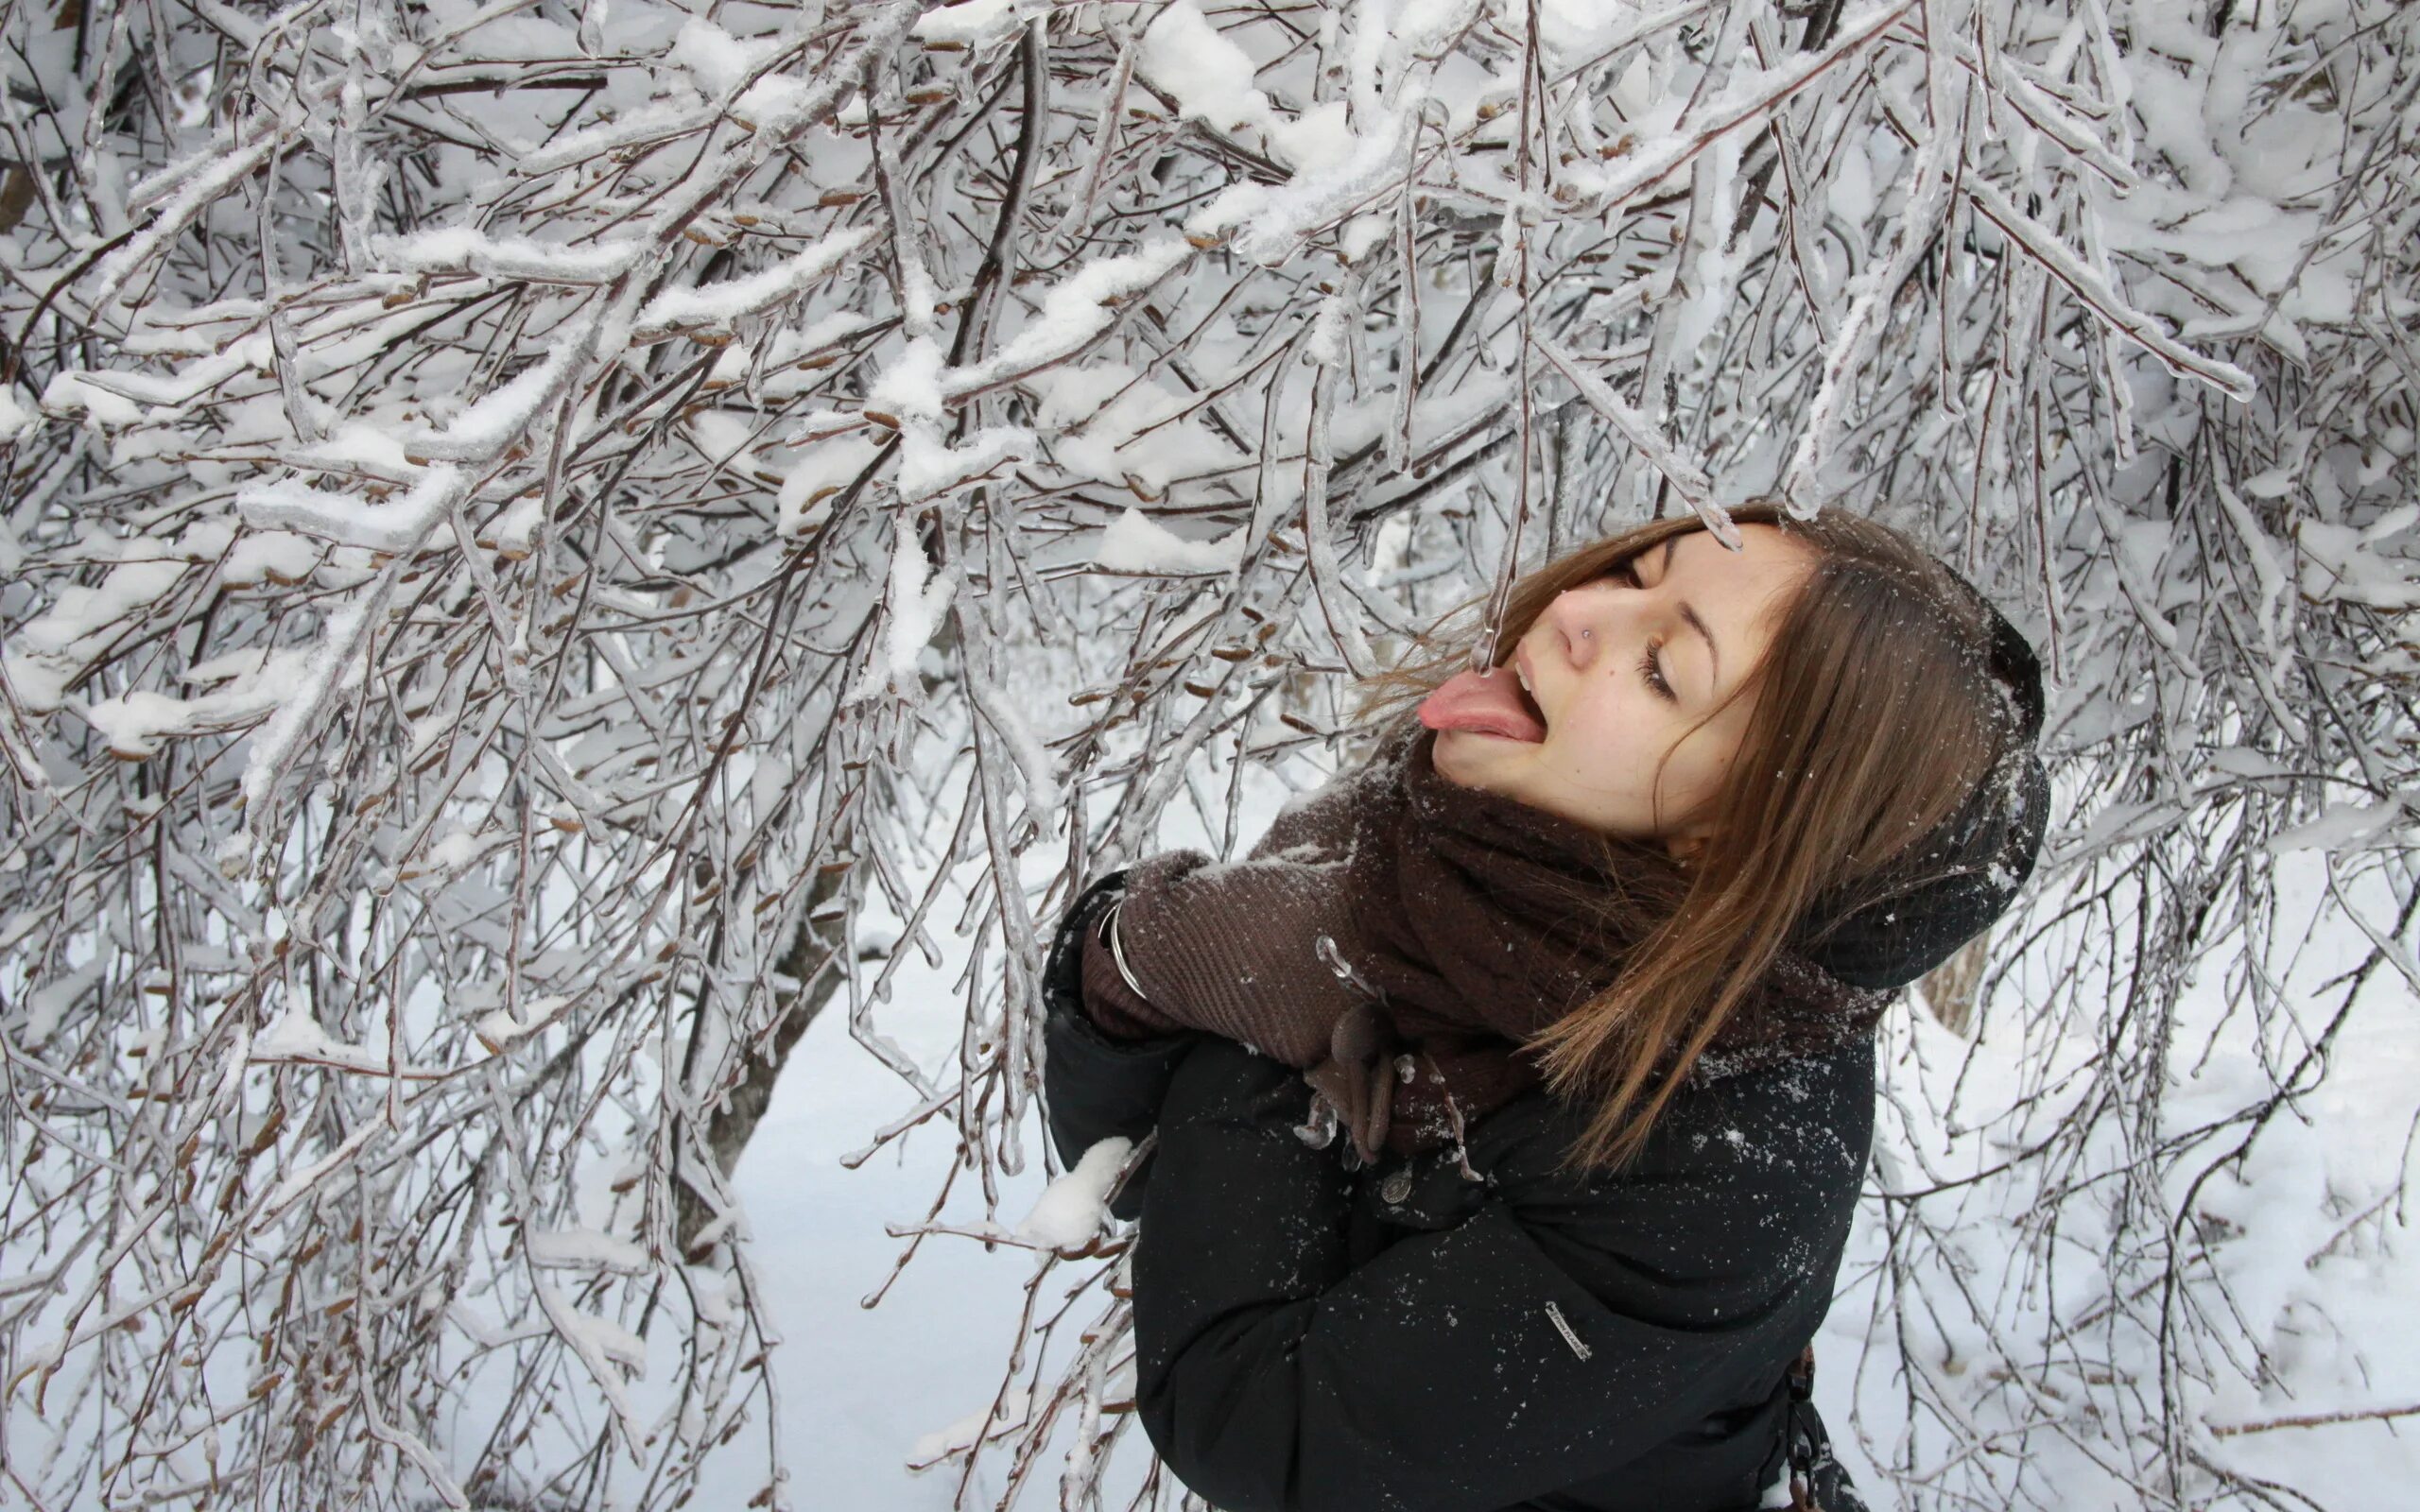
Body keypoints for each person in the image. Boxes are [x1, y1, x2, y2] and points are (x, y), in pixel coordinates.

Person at [1039, 502, 2050, 1512]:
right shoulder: (1461, 842)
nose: (1574, 607)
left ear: (1730, 844)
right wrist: (1137, 961)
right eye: (1633, 575)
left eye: (1662, 669)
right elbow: (1144, 1173)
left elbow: (1255, 1417)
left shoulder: (1714, 1171)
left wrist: (1275, 1013)